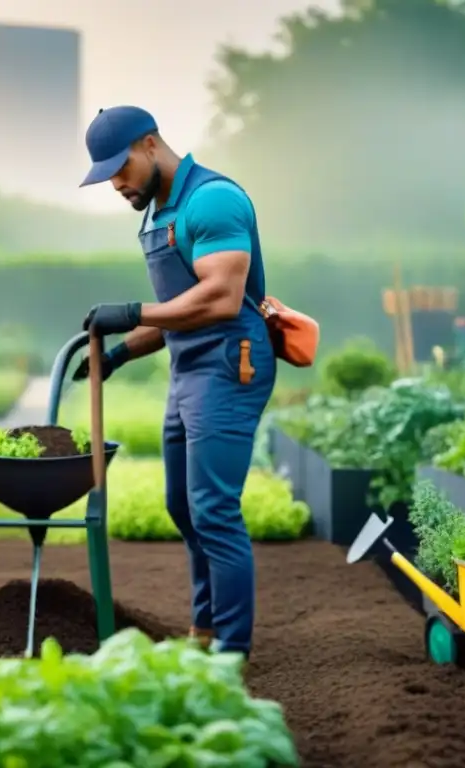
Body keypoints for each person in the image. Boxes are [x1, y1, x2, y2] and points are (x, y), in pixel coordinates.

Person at [72, 105, 276, 659]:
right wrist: (117, 353)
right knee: (183, 508)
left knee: (213, 508)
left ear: (150, 145)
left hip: (230, 365)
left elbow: (220, 298)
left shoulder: (212, 199)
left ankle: (230, 652)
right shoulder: (158, 213)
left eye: (120, 169)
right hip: (188, 368)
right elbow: (178, 313)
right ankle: (204, 629)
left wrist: (134, 311)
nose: (116, 183)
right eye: (107, 175)